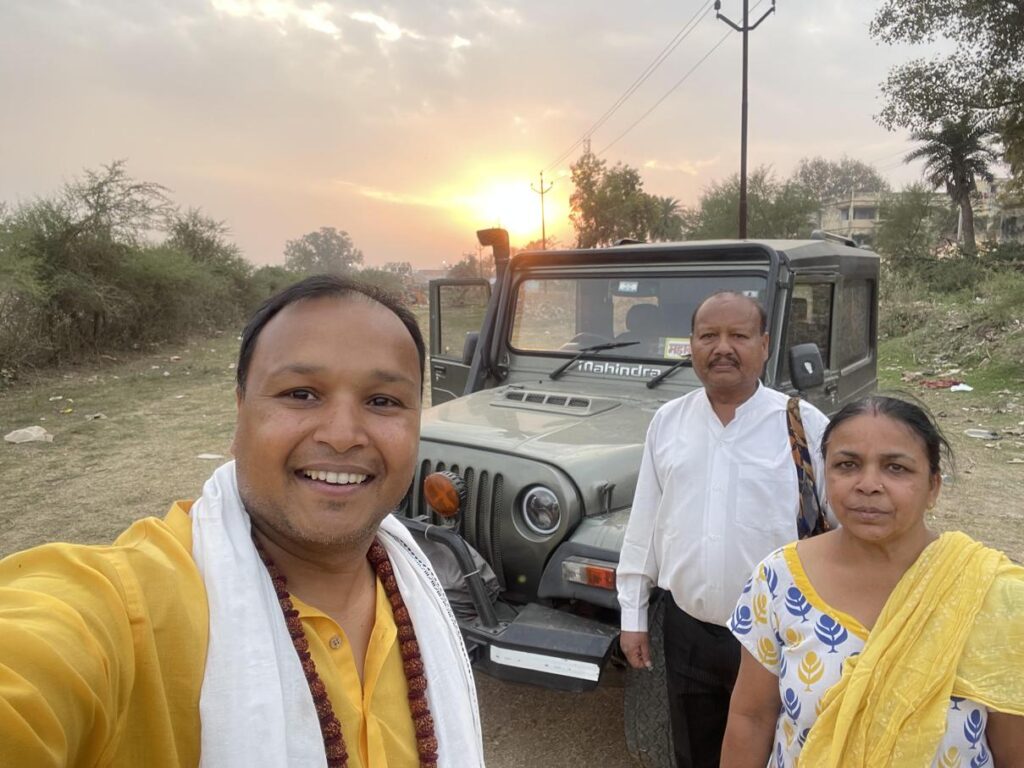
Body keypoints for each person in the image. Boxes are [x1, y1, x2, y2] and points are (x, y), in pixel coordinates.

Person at [0, 275, 486, 768]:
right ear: (240, 412)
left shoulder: (409, 585)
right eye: (301, 394)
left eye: (382, 401)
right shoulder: (130, 608)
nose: (343, 436)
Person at [721, 396, 1024, 767]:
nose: (868, 484)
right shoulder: (779, 580)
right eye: (847, 465)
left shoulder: (989, 592)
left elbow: (1013, 747)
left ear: (933, 487)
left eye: (896, 468)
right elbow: (751, 719)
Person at [616, 290, 830, 768]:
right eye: (708, 335)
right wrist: (632, 614)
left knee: (777, 749)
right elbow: (646, 523)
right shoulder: (668, 422)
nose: (722, 347)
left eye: (738, 335)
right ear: (689, 345)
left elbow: (840, 529)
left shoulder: (803, 426)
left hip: (781, 633)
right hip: (688, 627)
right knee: (693, 748)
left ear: (765, 344)